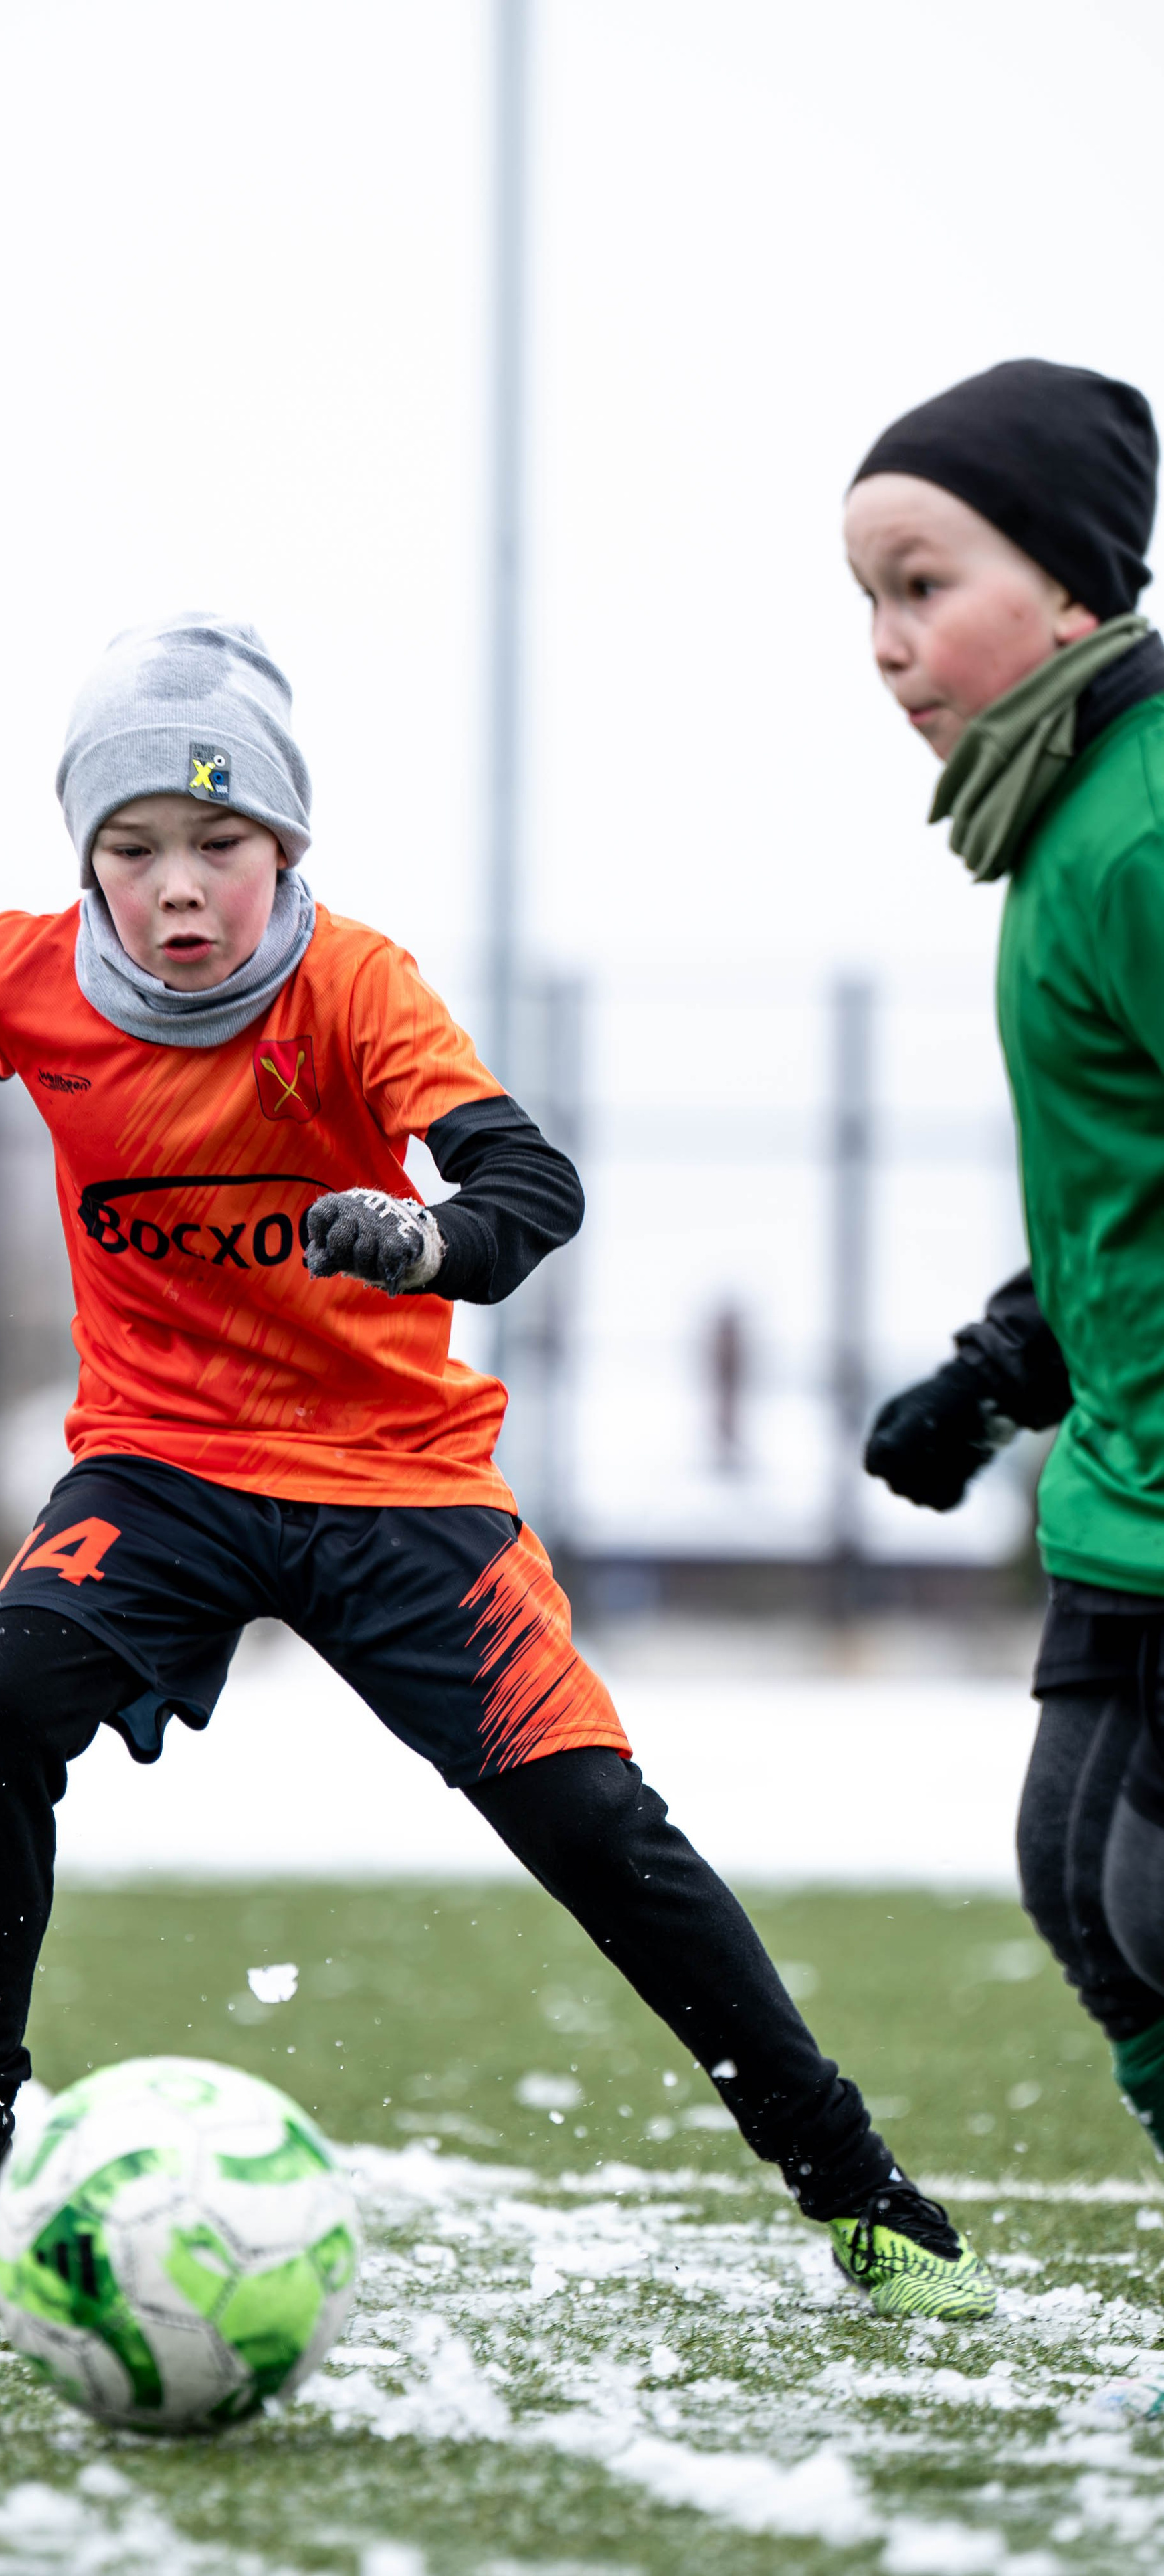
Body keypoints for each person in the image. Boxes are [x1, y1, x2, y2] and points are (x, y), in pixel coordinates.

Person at [0, 612, 993, 2318]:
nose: (178, 885)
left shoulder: (350, 984)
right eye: (133, 846)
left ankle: (865, 2194)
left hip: (396, 1486)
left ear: (283, 847)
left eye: (219, 844)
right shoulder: (24, 978)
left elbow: (532, 1191)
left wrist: (422, 1239)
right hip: (158, 1469)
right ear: (83, 863)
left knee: (595, 1819)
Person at [848, 360, 1164, 2163]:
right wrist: (1002, 1370)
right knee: (1080, 1882)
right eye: (867, 603)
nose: (888, 643)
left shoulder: (1141, 821)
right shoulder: (1061, 824)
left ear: (1066, 585)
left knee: (1154, 1902)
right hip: (1126, 1482)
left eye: (922, 581)